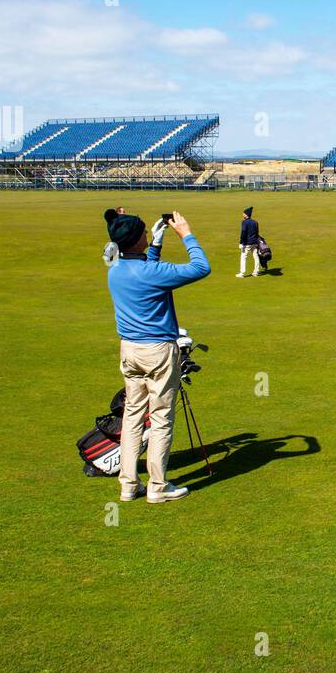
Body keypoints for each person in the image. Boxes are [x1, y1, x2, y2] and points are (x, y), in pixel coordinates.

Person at [105, 210, 210, 503]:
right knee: (162, 416)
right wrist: (185, 233)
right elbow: (201, 267)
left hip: (129, 350)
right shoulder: (153, 273)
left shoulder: (114, 268)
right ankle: (158, 486)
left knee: (132, 416)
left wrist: (155, 244)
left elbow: (142, 268)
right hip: (158, 351)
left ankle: (128, 485)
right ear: (137, 239)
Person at [237, 206, 262, 278]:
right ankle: (256, 272)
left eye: (243, 213)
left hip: (247, 243)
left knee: (243, 257)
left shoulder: (244, 222)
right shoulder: (255, 222)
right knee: (256, 257)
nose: (242, 214)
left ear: (246, 214)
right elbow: (257, 232)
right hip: (255, 242)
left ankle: (242, 273)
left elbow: (243, 233)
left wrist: (241, 243)